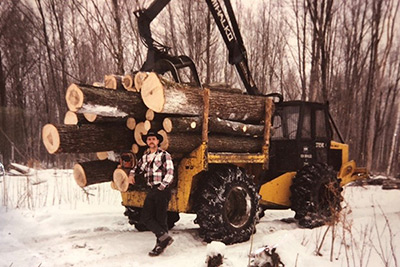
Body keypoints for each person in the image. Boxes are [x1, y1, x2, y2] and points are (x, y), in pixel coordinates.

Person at [128, 131, 174, 256]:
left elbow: (170, 172)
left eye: (153, 139)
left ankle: (160, 245)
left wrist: (162, 186)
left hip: (161, 189)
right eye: (149, 139)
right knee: (146, 217)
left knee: (161, 218)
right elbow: (137, 168)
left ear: (158, 141)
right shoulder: (145, 157)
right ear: (147, 142)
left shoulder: (165, 155)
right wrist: (131, 174)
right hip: (152, 189)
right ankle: (164, 237)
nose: (151, 141)